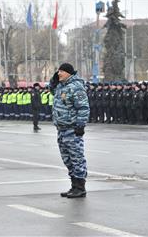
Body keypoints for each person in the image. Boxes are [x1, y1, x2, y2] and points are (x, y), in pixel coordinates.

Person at [50, 63, 90, 198]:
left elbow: (83, 108)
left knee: (76, 158)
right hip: (61, 129)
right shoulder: (62, 87)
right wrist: (53, 82)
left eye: (61, 71)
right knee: (67, 159)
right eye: (58, 71)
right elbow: (53, 92)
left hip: (72, 129)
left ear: (68, 73)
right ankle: (74, 185)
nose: (58, 73)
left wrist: (80, 125)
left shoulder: (76, 87)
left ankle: (80, 187)